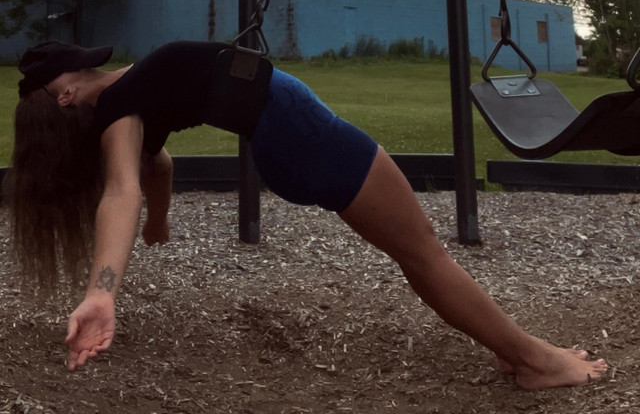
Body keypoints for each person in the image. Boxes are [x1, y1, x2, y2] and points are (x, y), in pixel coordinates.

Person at [9, 39, 607, 389]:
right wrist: (103, 290)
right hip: (307, 138)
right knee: (423, 253)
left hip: (293, 140)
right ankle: (532, 361)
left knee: (418, 250)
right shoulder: (118, 109)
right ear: (64, 95)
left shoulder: (131, 97)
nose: (89, 65)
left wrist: (159, 222)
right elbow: (122, 191)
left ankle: (514, 347)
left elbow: (157, 168)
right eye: (73, 70)